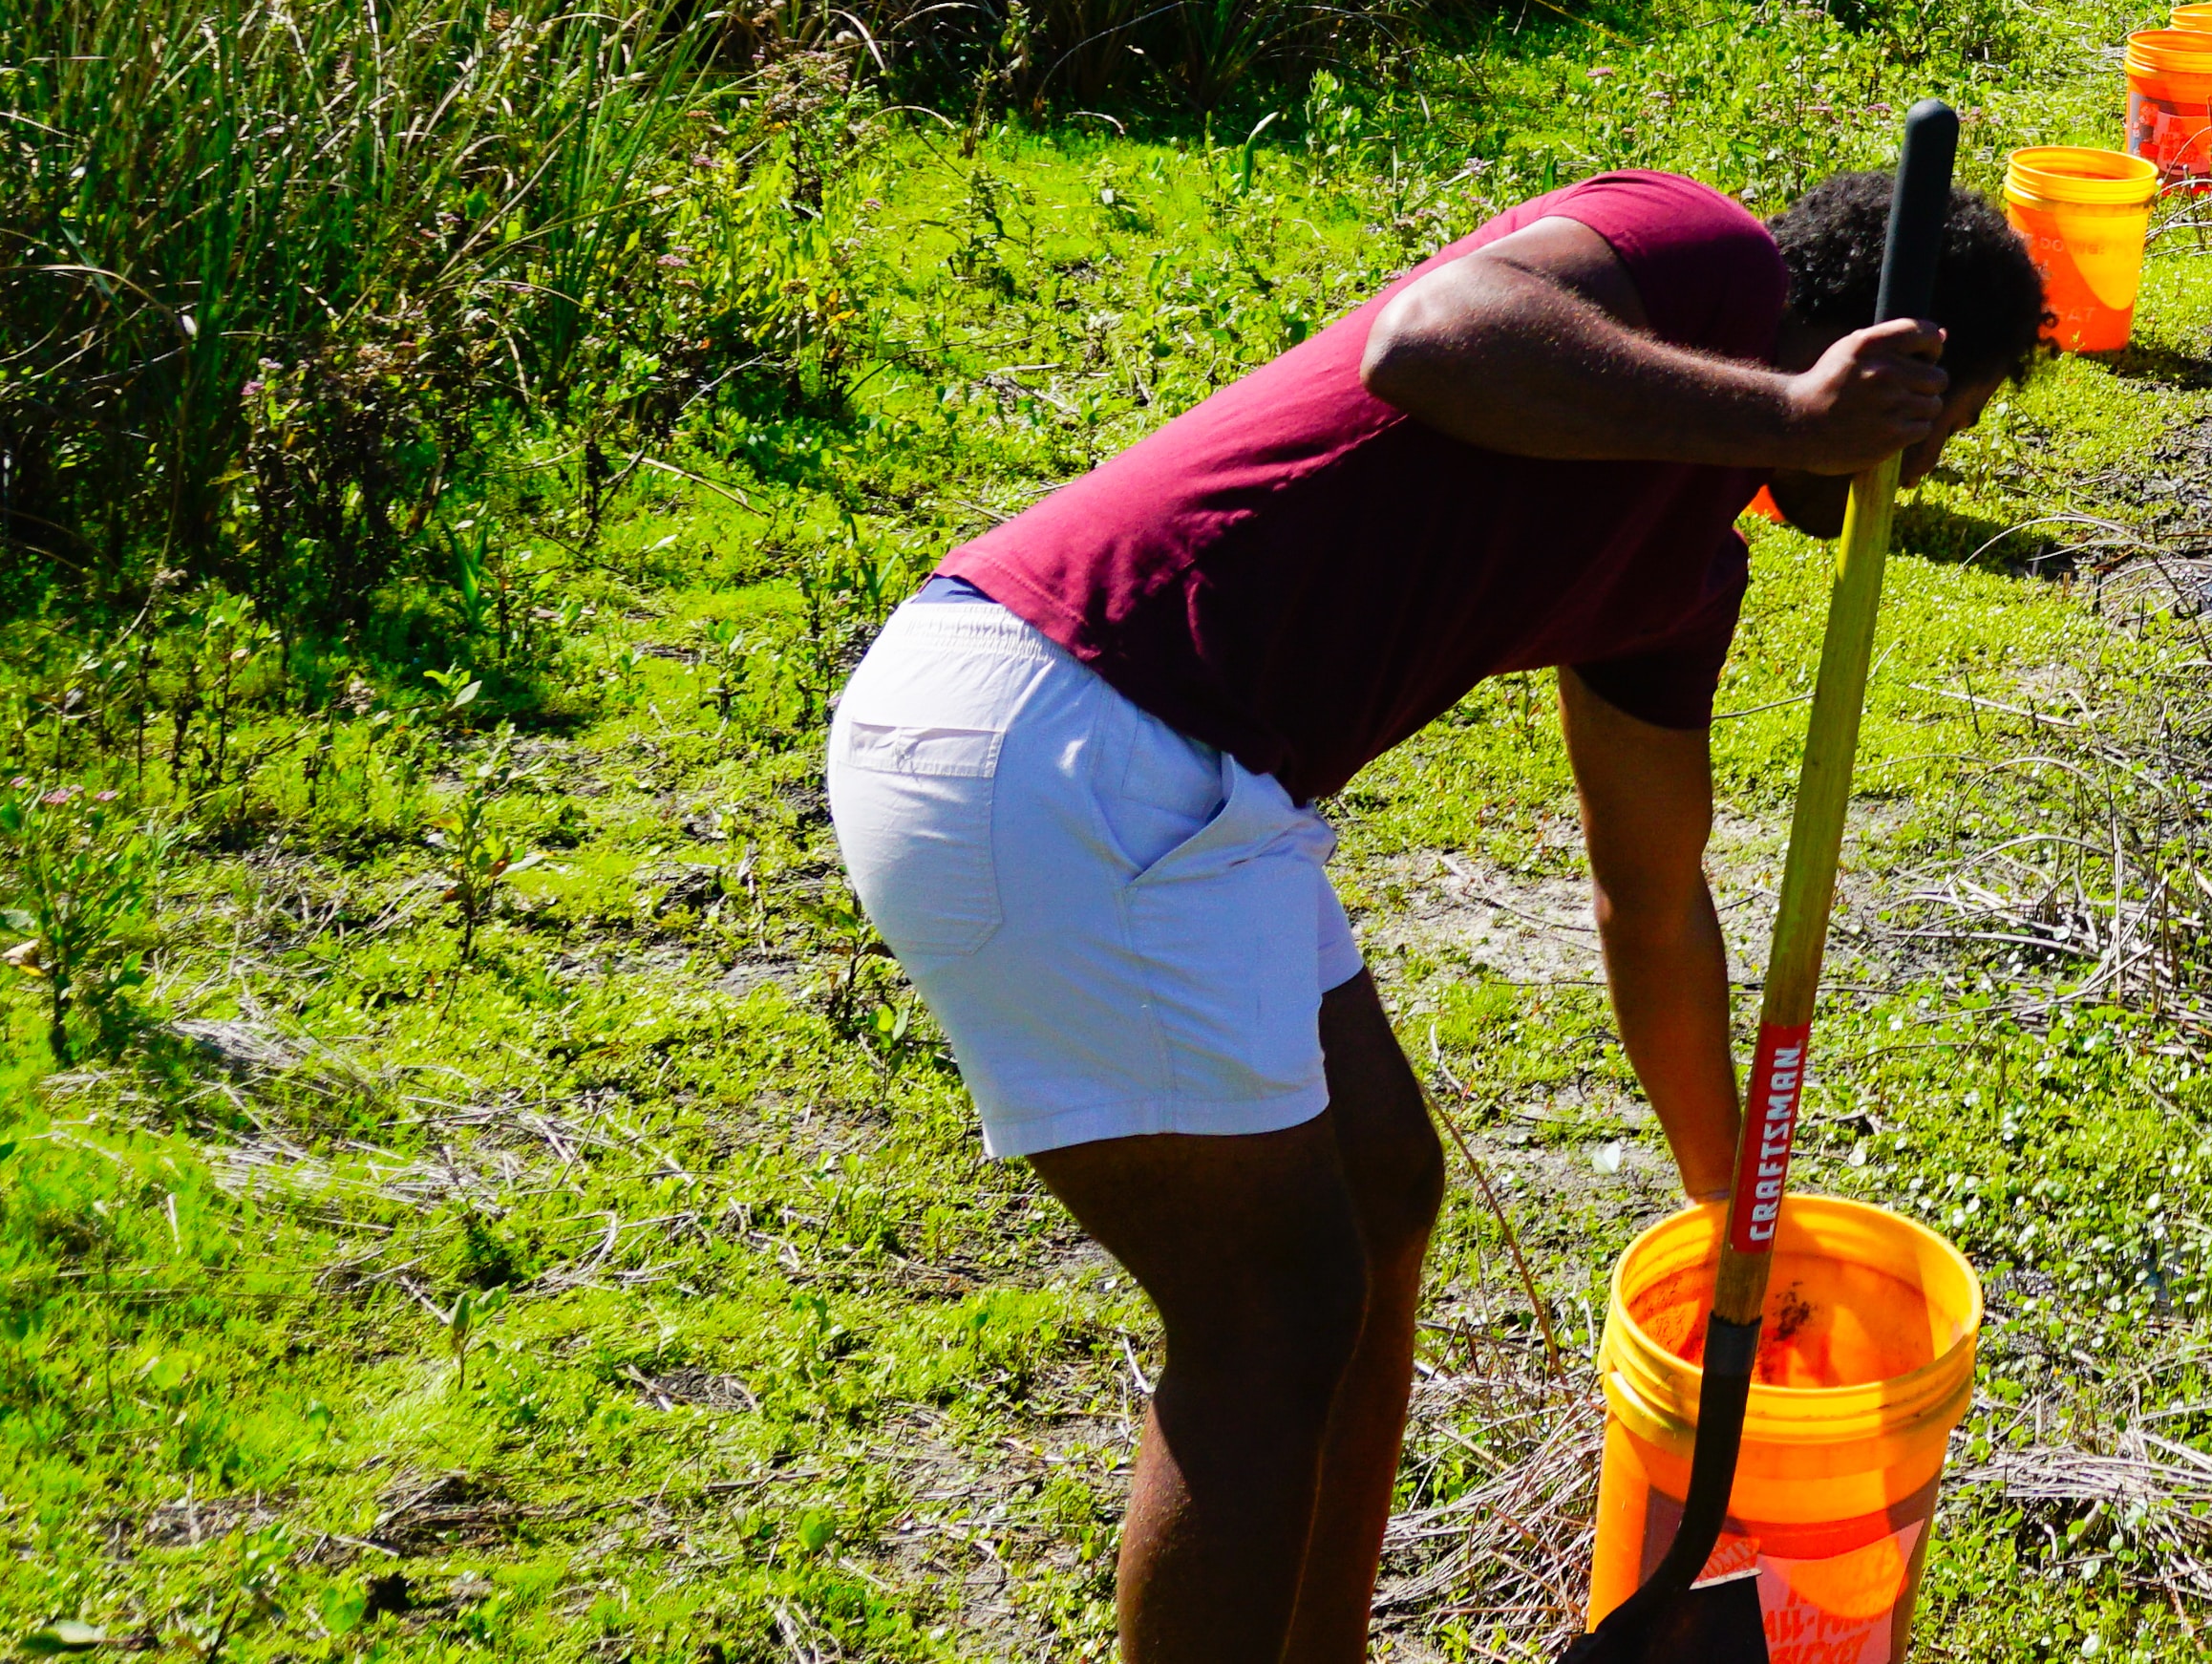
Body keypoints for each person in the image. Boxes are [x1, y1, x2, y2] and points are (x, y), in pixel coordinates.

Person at [819, 163, 2049, 1664]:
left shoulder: (1675, 575)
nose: (1910, 481)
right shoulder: (1701, 259)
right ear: (1875, 358)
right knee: (1271, 1315)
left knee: (1382, 1185)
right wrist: (1788, 416)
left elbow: (1649, 903)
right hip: (1069, 730)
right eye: (1934, 427)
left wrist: (1740, 1213)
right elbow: (1433, 333)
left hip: (1187, 784)